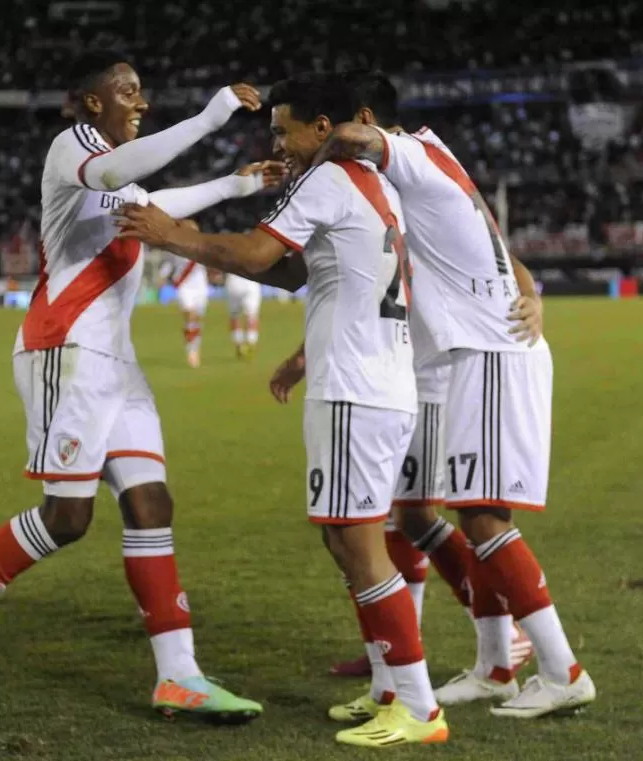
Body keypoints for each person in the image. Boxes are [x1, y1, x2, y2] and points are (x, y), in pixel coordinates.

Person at [0, 51, 284, 722]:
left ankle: (179, 675)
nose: (139, 102)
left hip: (116, 363)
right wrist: (213, 114)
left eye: (141, 91)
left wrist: (236, 183)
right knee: (68, 518)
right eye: (126, 93)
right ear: (90, 104)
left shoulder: (118, 183)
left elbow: (152, 203)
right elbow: (118, 173)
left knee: (150, 503)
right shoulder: (73, 150)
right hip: (65, 353)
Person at [117, 71, 449, 748]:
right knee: (346, 537)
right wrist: (299, 356)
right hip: (380, 384)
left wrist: (172, 235)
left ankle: (418, 706)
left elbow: (258, 251)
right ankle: (390, 687)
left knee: (356, 543)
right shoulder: (378, 183)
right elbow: (295, 271)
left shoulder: (327, 179)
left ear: (322, 128)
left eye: (283, 130)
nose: (278, 144)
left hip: (356, 390)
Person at [316, 72, 596, 719]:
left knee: (483, 517)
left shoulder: (408, 154)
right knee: (439, 513)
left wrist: (314, 145)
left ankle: (563, 669)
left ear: (360, 120)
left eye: (329, 123)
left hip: (487, 354)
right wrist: (530, 290)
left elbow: (363, 139)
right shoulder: (433, 159)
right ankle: (496, 664)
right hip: (460, 355)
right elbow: (499, 250)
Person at [269, 70, 538, 684]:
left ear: (359, 120)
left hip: (434, 366)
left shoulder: (403, 167)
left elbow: (490, 245)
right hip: (404, 362)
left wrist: (531, 292)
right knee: (401, 517)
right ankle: (394, 660)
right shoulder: (399, 172)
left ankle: (498, 639)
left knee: (409, 517)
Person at [157, 220, 209, 368]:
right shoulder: (175, 247)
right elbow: (169, 264)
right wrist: (162, 276)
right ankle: (191, 352)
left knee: (196, 320)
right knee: (190, 315)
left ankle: (194, 347)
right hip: (184, 286)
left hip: (200, 286)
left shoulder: (203, 246)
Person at [224, 274, 262, 359]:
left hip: (233, 281)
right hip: (251, 281)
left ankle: (239, 345)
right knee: (252, 315)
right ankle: (251, 344)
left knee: (234, 315)